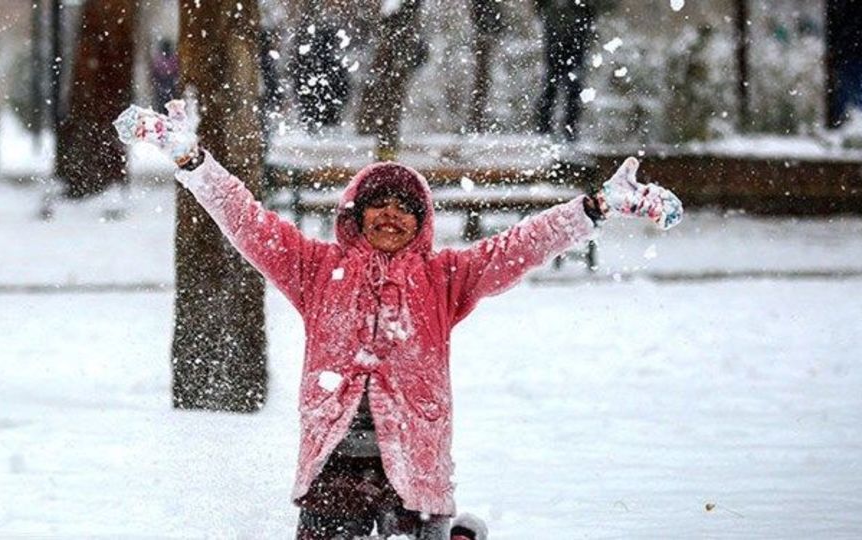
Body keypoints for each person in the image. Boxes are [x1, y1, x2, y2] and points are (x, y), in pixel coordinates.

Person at [113, 100, 683, 539]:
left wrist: (596, 206)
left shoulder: (445, 278)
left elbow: (521, 245)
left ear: (421, 222)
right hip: (333, 467)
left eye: (404, 206)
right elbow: (246, 220)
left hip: (415, 464)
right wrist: (192, 160)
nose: (390, 213)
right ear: (355, 217)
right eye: (377, 204)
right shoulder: (315, 269)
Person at [533, 0, 613, 141]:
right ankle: (548, 128)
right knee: (555, 82)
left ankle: (565, 129)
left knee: (568, 84)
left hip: (573, 27)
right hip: (560, 26)